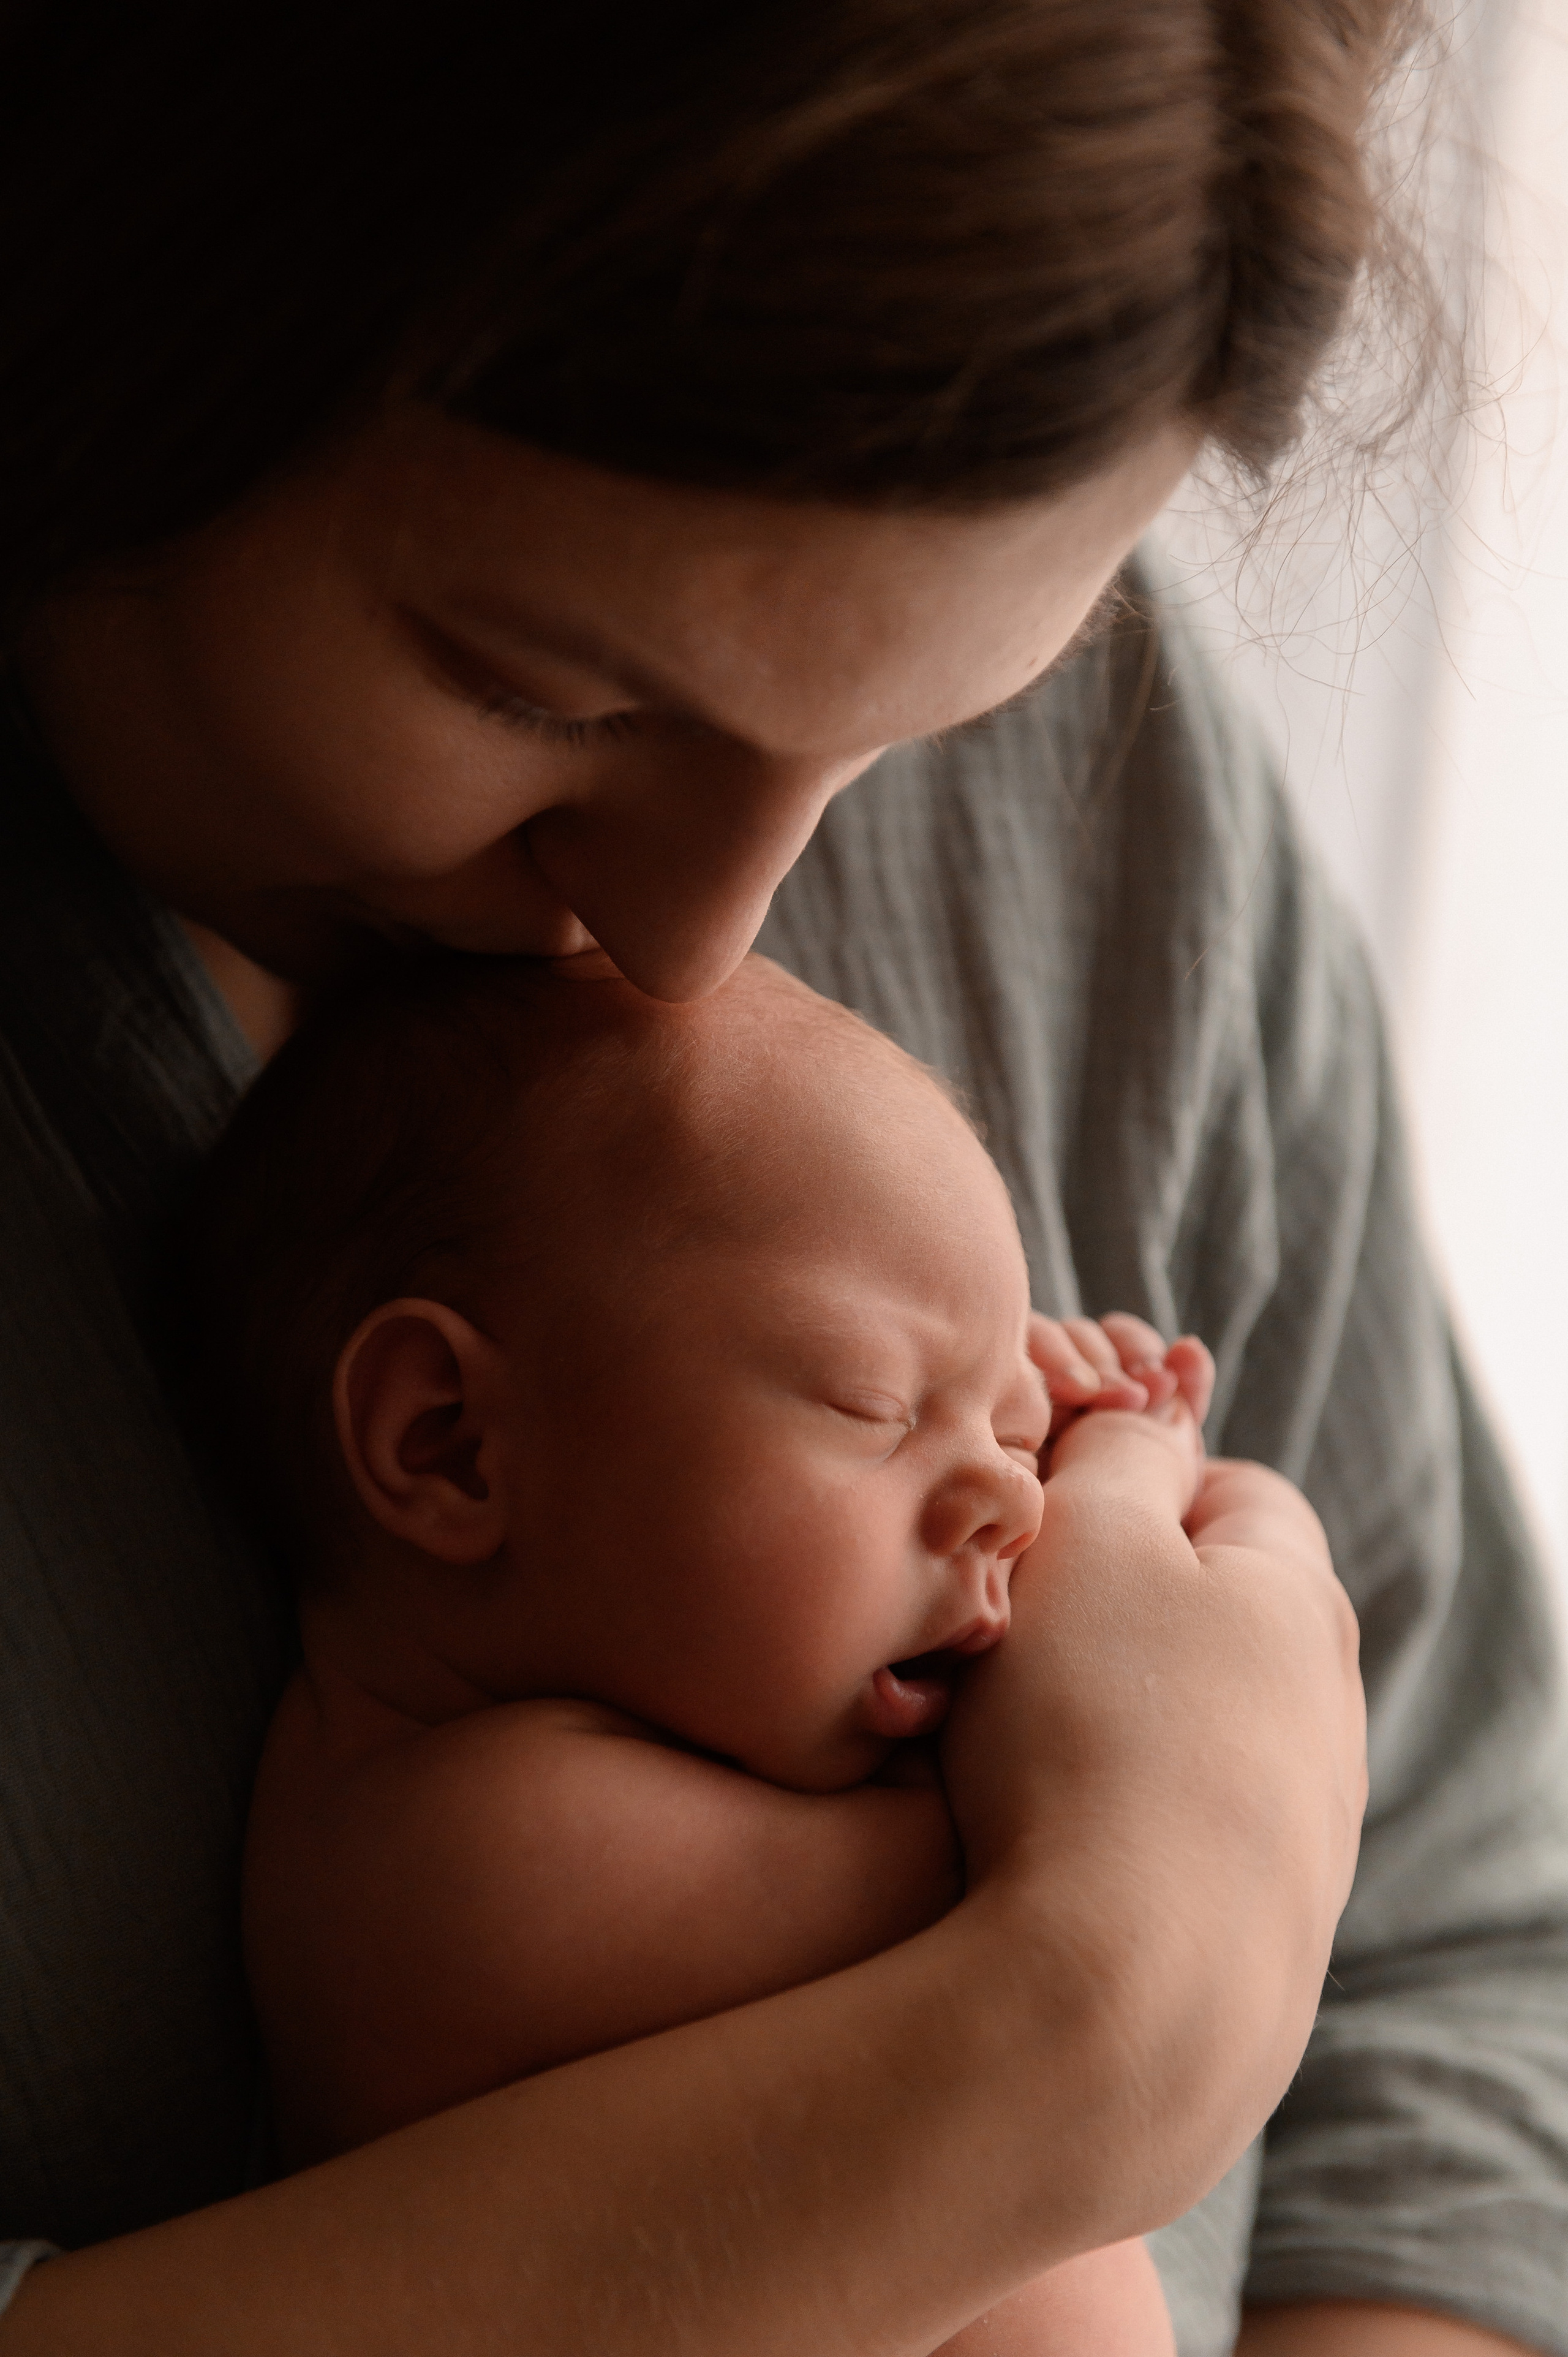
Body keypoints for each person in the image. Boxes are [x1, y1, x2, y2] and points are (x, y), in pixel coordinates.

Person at [0, 1, 1555, 2352]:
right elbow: (1191, 1904)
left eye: (933, 722)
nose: (712, 938)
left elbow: (1472, 1953)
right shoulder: (470, 1829)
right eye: (550, 688)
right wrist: (1115, 1989)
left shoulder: (1116, 804)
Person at [186, 951, 1321, 2353]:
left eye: (1015, 1430)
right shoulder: (465, 1855)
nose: (1016, 1501)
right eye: (875, 1403)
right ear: (451, 1445)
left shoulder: (648, 1754)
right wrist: (1162, 1504)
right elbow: (1077, 1853)